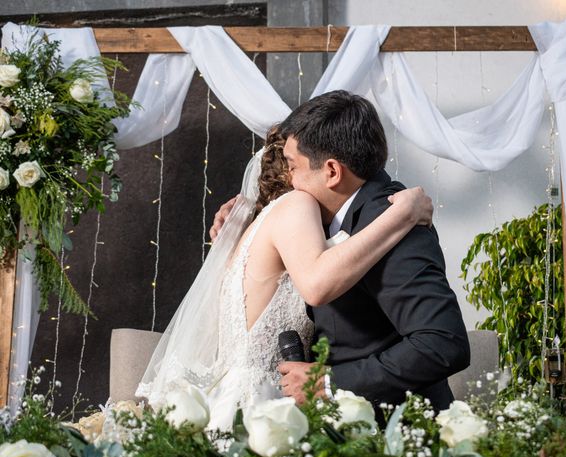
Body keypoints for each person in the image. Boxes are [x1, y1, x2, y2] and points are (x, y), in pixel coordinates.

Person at [136, 125, 432, 432]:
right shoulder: (295, 205)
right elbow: (320, 280)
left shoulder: (254, 225)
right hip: (266, 401)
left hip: (237, 394)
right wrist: (403, 214)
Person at [213, 91, 470, 413]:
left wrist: (333, 383)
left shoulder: (397, 222)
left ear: (332, 171)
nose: (288, 179)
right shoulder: (333, 220)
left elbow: (443, 343)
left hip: (394, 434)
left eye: (292, 166)